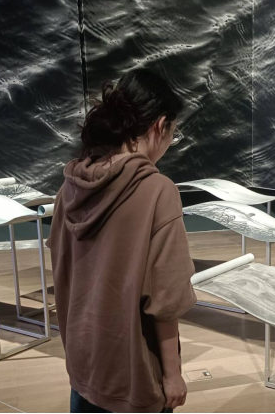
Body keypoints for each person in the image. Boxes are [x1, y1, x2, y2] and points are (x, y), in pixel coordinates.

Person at [47, 69, 197, 413]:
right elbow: (166, 298)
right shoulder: (158, 191)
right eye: (173, 133)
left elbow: (62, 270)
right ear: (160, 125)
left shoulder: (69, 189)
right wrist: (173, 374)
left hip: (83, 365)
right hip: (133, 375)